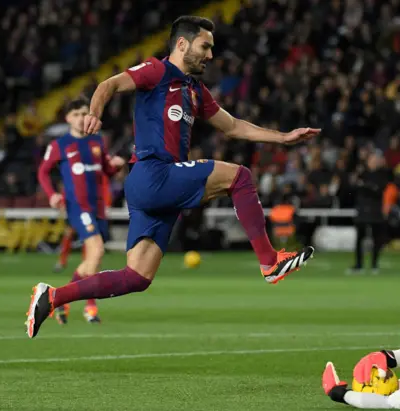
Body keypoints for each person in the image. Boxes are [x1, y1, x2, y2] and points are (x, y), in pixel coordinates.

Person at [26, 16, 319, 338]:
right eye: (205, 46)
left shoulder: (196, 90)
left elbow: (233, 126)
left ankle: (53, 296)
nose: (210, 54)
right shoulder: (157, 71)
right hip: (153, 174)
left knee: (136, 277)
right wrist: (94, 114)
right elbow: (107, 85)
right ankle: (269, 262)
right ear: (182, 44)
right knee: (240, 177)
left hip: (155, 188)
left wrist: (283, 138)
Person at [37, 98, 126, 324]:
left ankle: (60, 298)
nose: (80, 117)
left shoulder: (97, 142)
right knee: (96, 252)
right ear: (68, 118)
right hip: (77, 205)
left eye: (84, 113)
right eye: (76, 113)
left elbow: (106, 170)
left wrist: (116, 164)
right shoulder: (60, 144)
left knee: (93, 258)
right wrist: (52, 195)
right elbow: (43, 172)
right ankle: (90, 306)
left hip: (98, 206)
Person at [348, 152, 389, 274]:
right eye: (372, 160)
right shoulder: (362, 173)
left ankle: (374, 264)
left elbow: (379, 190)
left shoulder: (382, 174)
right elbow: (354, 188)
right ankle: (359, 265)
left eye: (375, 160)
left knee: (377, 239)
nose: (373, 162)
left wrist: (365, 186)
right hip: (362, 210)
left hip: (375, 210)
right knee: (359, 238)